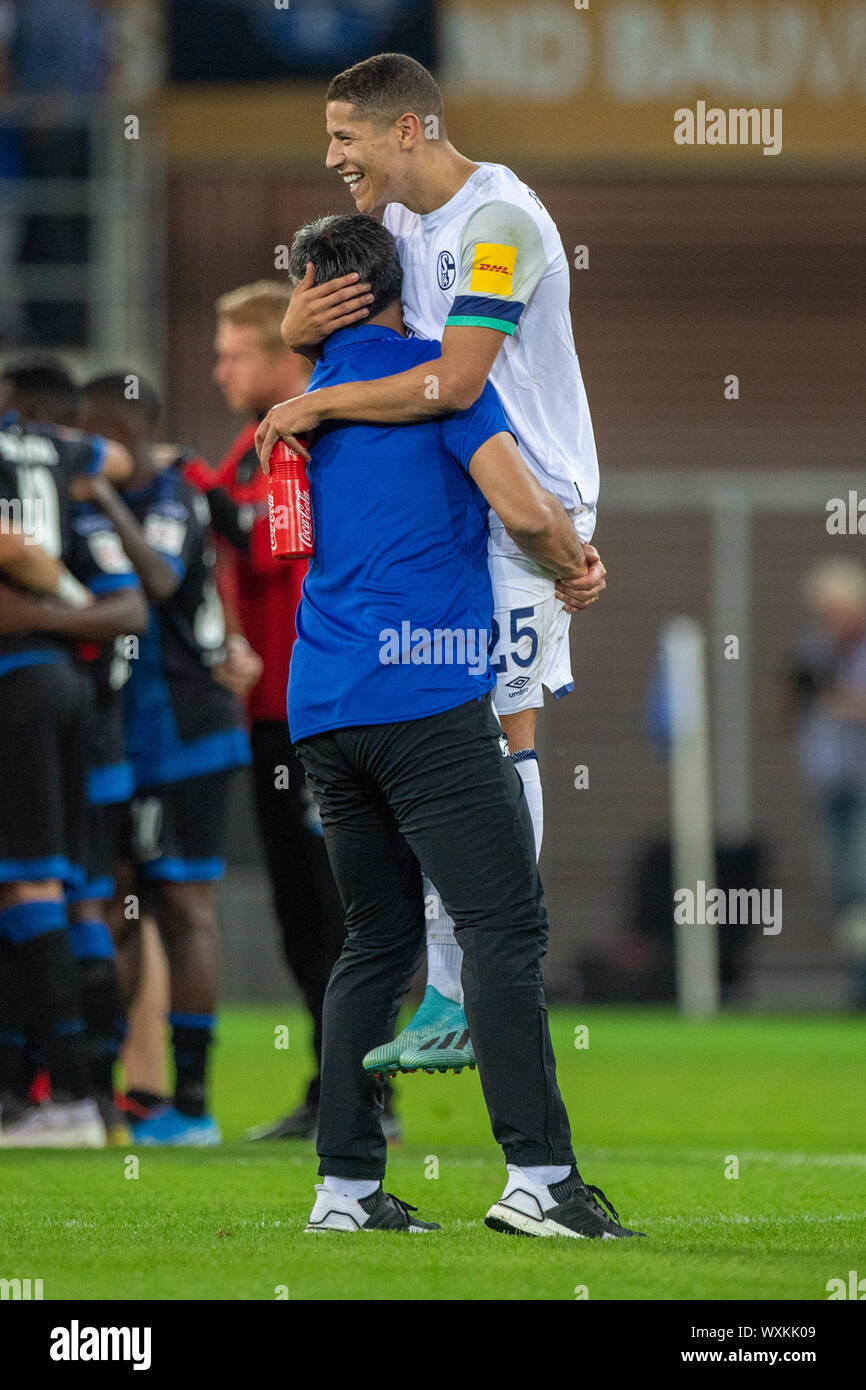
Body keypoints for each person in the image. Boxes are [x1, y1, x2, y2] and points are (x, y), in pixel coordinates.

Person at [267, 212, 638, 1239]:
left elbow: (285, 531)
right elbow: (519, 506)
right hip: (424, 698)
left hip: (321, 706)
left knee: (373, 941)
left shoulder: (293, 412)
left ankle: (342, 1191)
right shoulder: (440, 380)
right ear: (399, 288)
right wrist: (574, 560)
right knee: (504, 928)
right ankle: (540, 1181)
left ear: (315, 294)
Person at [257, 51, 605, 1077]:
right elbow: (335, 314)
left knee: (498, 726)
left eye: (344, 137)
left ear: (405, 129)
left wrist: (315, 400)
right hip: (463, 501)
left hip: (521, 496)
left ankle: (460, 985)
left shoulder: (500, 222)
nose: (331, 157)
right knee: (461, 729)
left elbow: (454, 381)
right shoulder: (403, 225)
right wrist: (291, 330)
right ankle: (454, 980)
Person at [190, 281, 388, 1142]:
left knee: (338, 907)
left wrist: (187, 495)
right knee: (299, 917)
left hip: (324, 711)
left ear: (279, 357)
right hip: (269, 717)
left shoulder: (308, 431)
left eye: (234, 353)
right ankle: (331, 1087)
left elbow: (281, 541)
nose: (219, 368)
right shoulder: (248, 448)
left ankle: (366, 1098)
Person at [76, 374, 251, 1145]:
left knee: (183, 906)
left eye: (94, 433)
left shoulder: (175, 498)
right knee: (120, 905)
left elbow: (160, 581)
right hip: (126, 741)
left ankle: (193, 1102)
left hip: (188, 734)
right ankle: (115, 1095)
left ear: (124, 430)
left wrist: (104, 498)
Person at [0, 406, 134, 1146]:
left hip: (21, 685)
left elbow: (11, 543)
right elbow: (117, 458)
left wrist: (46, 600)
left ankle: (75, 1099)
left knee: (32, 884)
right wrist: (72, 599)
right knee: (74, 894)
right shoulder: (58, 445)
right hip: (69, 689)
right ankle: (81, 1098)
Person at [790, 559, 866, 1008]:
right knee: (841, 886)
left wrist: (843, 704)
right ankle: (858, 977)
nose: (828, 622)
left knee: (859, 881)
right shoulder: (815, 648)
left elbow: (842, 704)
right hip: (830, 782)